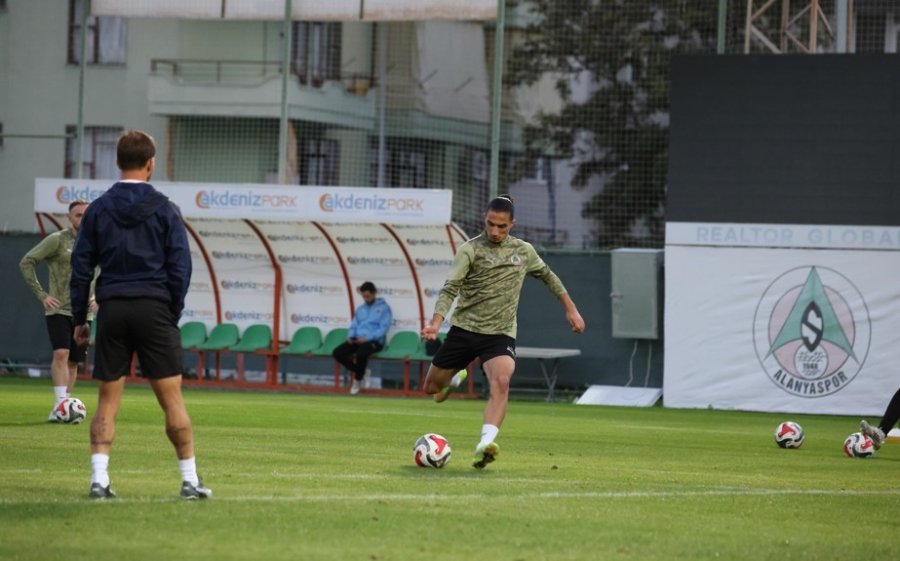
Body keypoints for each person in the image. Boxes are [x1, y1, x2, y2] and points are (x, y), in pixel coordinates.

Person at [70, 129, 211, 500]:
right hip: (154, 308)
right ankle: (189, 480)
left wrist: (80, 320)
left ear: (117, 162)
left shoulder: (98, 209)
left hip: (113, 308)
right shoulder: (166, 209)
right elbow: (181, 268)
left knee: (107, 401)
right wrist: (170, 312)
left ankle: (99, 480)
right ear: (151, 164)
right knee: (172, 400)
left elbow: (81, 267)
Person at [420, 194, 585, 469]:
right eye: (490, 224)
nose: (495, 231)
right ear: (484, 220)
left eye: (502, 226)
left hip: (499, 335)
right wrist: (436, 324)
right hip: (464, 330)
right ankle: (453, 380)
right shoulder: (470, 250)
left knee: (501, 381)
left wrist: (571, 309)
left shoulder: (523, 251)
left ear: (512, 224)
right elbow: (450, 289)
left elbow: (549, 277)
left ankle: (485, 444)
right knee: (431, 389)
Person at [19, 200, 93, 422]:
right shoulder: (57, 240)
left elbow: (106, 270)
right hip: (59, 309)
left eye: (86, 214)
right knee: (61, 353)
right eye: (78, 215)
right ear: (69, 218)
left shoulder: (98, 241)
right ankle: (60, 405)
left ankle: (64, 408)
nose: (83, 218)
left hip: (84, 312)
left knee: (74, 361)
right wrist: (42, 295)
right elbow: (27, 262)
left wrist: (98, 296)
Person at [332, 281, 393, 395]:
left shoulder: (384, 308)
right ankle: (361, 372)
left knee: (361, 353)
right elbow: (354, 325)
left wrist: (368, 338)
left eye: (368, 296)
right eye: (364, 296)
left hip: (375, 341)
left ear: (374, 293)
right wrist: (351, 336)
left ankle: (357, 380)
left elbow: (384, 328)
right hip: (358, 340)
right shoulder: (360, 309)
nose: (366, 299)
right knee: (337, 353)